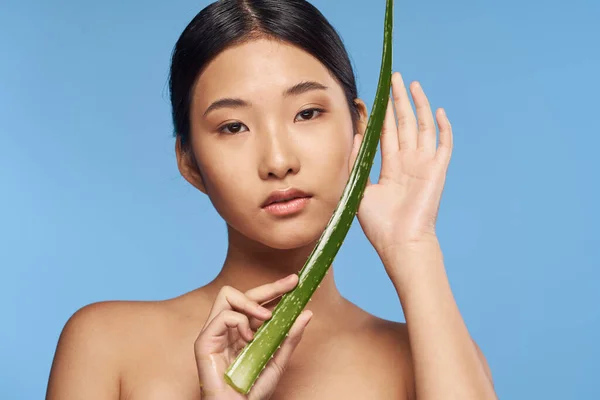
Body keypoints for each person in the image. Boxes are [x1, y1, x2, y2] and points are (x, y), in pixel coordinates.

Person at [46, 0, 497, 399]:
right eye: (233, 127)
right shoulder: (106, 345)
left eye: (307, 113)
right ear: (190, 162)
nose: (278, 161)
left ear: (359, 129)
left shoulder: (433, 357)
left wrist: (413, 248)